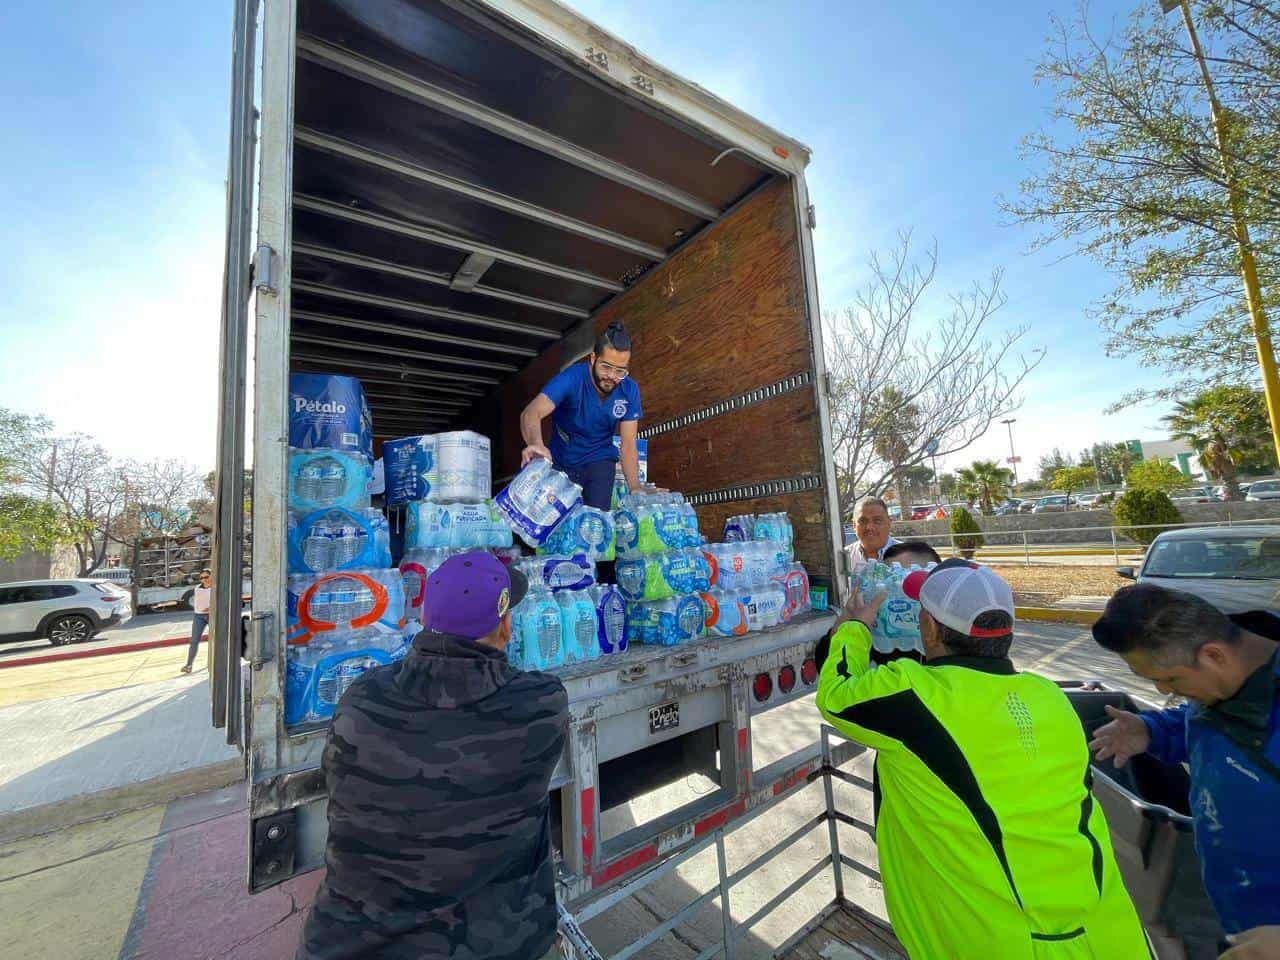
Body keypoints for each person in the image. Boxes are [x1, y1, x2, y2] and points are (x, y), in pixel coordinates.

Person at [815, 559, 1148, 959]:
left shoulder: (915, 693)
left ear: (931, 630)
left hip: (1004, 942)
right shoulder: (1050, 697)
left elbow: (836, 693)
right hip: (1109, 934)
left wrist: (854, 626)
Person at [297, 553, 568, 960]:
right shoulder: (540, 705)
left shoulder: (360, 700)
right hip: (495, 945)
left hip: (347, 946)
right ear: (507, 626)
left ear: (424, 617)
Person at [1088, 583, 1279, 947]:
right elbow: (1209, 724)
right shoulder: (1232, 681)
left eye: (1170, 679)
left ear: (1214, 655)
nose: (1162, 692)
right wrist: (1153, 729)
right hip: (1238, 921)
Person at [520, 321, 643, 510]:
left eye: (620, 371)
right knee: (555, 523)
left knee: (596, 526)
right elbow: (531, 413)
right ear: (593, 359)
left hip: (599, 461)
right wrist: (536, 444)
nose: (612, 375)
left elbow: (628, 445)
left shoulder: (629, 389)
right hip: (562, 460)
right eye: (606, 367)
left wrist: (635, 488)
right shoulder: (571, 378)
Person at [869, 540, 942, 666]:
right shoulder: (880, 636)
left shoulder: (960, 645)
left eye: (909, 579)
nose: (901, 589)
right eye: (891, 579)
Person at [847, 497, 898, 564]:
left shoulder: (910, 556)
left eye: (877, 521)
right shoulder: (844, 558)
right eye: (863, 521)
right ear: (854, 525)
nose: (869, 527)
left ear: (889, 523)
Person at [181, 570, 212, 674]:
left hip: (212, 616)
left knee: (215, 640)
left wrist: (210, 608)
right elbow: (198, 602)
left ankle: (214, 661)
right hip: (198, 616)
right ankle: (189, 665)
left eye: (206, 577)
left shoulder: (216, 588)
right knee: (194, 641)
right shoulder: (197, 588)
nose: (204, 580)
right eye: (202, 578)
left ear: (212, 577)